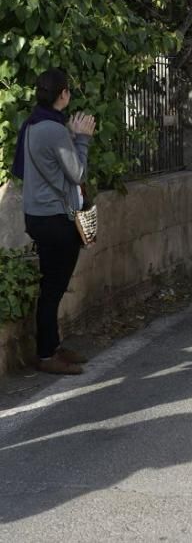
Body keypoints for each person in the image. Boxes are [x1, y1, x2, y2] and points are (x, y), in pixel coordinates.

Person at [12, 68, 96, 374]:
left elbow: (45, 162)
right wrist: (83, 139)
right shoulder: (54, 128)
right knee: (53, 289)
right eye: (68, 91)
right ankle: (47, 355)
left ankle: (53, 345)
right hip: (55, 219)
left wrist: (71, 136)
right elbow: (77, 174)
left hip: (38, 216)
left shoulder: (36, 124)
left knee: (53, 287)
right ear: (63, 94)